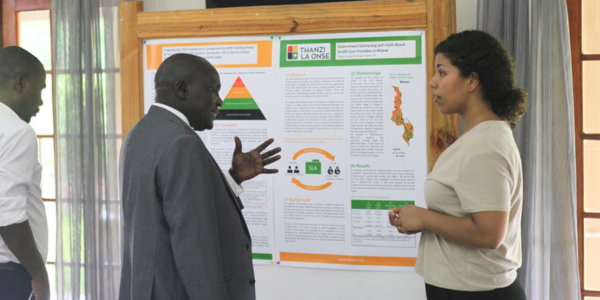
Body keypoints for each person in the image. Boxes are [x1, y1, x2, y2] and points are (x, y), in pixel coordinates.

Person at [119, 53, 281, 300]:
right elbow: (195, 250)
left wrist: (233, 178)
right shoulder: (183, 142)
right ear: (182, 89)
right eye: (213, 91)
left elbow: (166, 209)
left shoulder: (137, 134)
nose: (220, 101)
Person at [388, 30, 528, 300]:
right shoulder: (478, 137)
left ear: (472, 80)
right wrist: (420, 220)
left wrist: (424, 217)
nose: (432, 82)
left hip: (478, 293)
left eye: (442, 72)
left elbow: (489, 233)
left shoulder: (486, 145)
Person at [0, 46, 49, 300]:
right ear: (20, 83)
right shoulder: (18, 131)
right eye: (40, 88)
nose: (40, 101)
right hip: (10, 275)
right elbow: (8, 217)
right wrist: (40, 276)